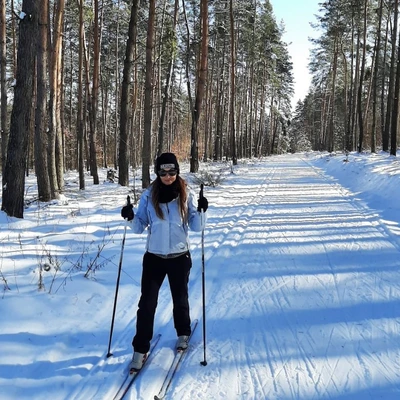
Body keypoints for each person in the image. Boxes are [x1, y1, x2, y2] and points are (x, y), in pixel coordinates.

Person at [120, 152, 208, 372]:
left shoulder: (185, 194)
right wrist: (130, 217)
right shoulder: (149, 196)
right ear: (157, 172)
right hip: (154, 258)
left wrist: (202, 210)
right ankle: (140, 349)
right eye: (163, 172)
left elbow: (197, 226)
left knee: (180, 298)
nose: (168, 176)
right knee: (146, 304)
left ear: (177, 171)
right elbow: (140, 226)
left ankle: (183, 333)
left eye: (172, 171)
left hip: (179, 256)